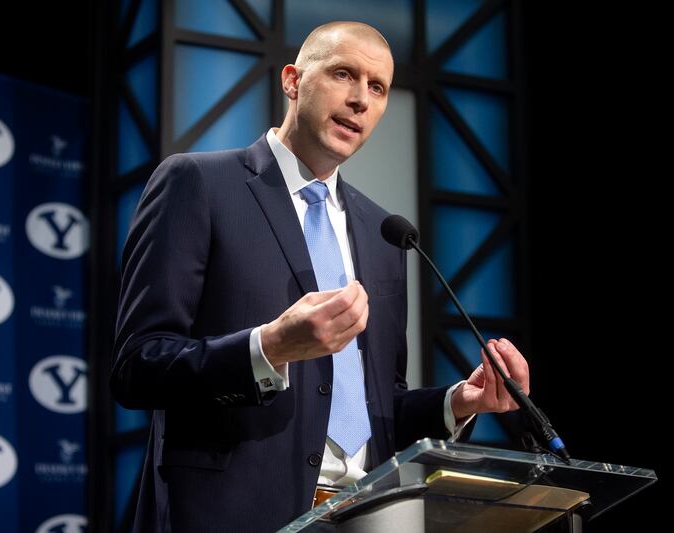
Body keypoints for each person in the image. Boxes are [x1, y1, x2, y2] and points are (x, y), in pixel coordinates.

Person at [111, 21, 530, 533]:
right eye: (342, 74)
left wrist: (457, 402)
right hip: (230, 513)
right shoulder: (198, 183)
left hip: (366, 516)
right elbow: (138, 365)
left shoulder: (383, 232)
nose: (360, 99)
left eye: (377, 88)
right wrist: (268, 348)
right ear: (292, 80)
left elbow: (379, 403)